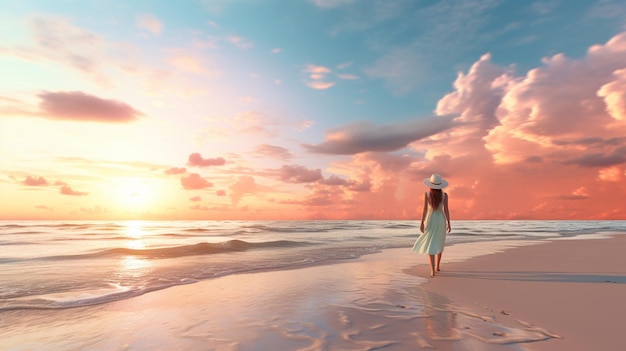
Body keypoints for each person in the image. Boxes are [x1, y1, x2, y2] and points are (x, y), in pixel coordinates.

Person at [412, 174, 451, 277]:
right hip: (440, 220)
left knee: (430, 244)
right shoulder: (445, 195)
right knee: (439, 242)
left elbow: (424, 209)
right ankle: (437, 266)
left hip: (430, 220)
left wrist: (421, 223)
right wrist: (449, 223)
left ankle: (432, 270)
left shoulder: (427, 195)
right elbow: (446, 210)